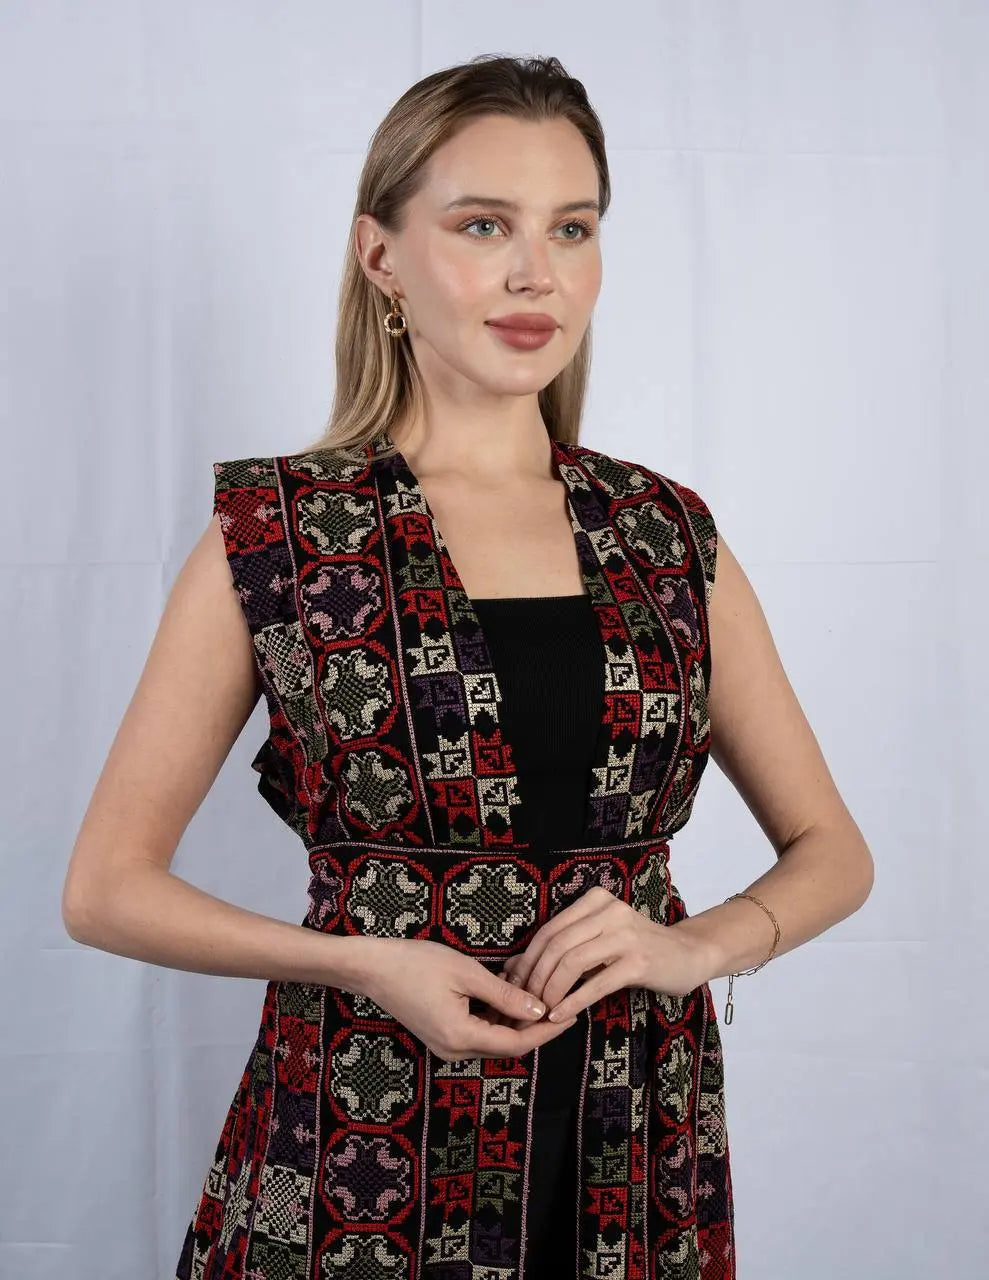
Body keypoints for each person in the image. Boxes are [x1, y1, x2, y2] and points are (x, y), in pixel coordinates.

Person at [61, 54, 875, 1280]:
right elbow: (106, 886)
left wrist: (696, 945)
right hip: (360, 1130)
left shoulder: (663, 533)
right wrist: (361, 959)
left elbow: (832, 849)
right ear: (380, 254)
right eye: (482, 224)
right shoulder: (283, 532)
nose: (534, 271)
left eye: (571, 227)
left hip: (631, 1131)